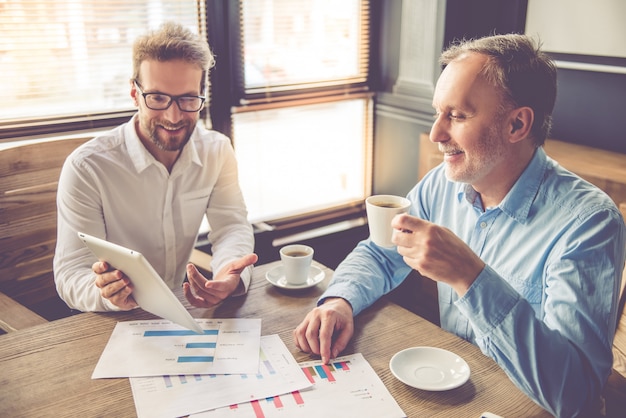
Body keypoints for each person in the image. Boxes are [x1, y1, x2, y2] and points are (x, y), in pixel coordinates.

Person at [293, 34, 625, 417]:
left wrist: (471, 276)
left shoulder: (589, 223)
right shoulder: (443, 183)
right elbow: (382, 252)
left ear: (517, 123)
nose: (436, 134)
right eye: (438, 112)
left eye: (458, 115)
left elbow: (577, 396)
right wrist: (340, 301)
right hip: (457, 395)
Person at [54, 22, 257, 312]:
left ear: (202, 97)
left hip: (183, 308)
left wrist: (229, 275)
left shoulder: (217, 150)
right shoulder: (87, 167)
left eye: (188, 99)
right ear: (135, 94)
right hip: (114, 322)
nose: (173, 117)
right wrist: (106, 294)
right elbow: (71, 273)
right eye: (158, 98)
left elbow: (231, 227)